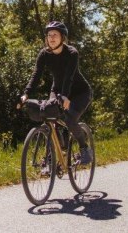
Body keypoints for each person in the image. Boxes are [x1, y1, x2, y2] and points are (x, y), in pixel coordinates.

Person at [21, 21, 93, 164]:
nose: (51, 38)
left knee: (70, 120)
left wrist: (65, 96)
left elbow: (69, 77)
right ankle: (52, 157)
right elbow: (36, 75)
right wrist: (26, 93)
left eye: (55, 35)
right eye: (49, 35)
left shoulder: (72, 53)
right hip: (58, 90)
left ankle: (84, 148)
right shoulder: (44, 54)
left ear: (62, 37)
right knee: (51, 119)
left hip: (80, 93)